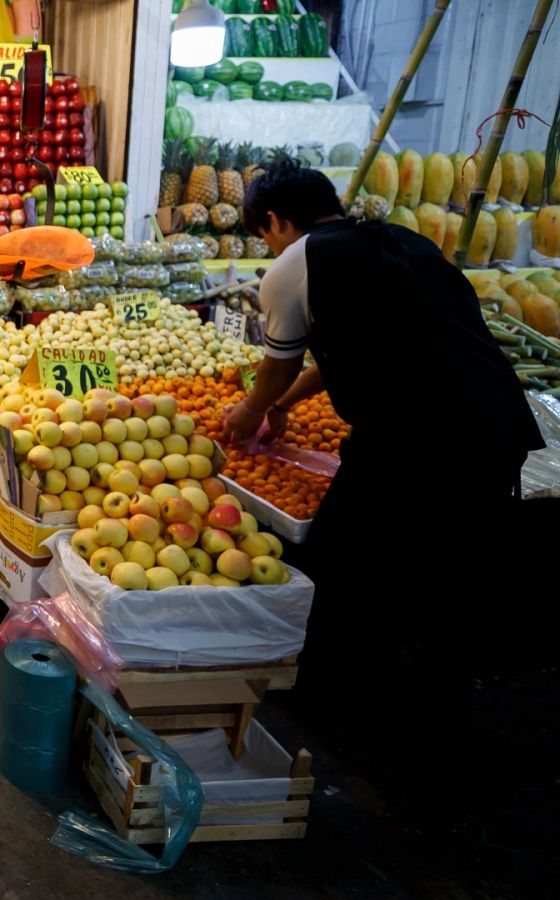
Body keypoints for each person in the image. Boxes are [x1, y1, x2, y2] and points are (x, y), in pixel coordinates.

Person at [221, 160, 543, 694]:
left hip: (417, 432)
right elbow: (343, 352)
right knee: (447, 557)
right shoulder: (400, 242)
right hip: (496, 422)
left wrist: (252, 411)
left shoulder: (294, 265)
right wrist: (285, 407)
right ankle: (421, 682)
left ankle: (333, 688)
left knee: (343, 553)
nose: (268, 246)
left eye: (263, 235)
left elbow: (278, 364)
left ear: (275, 220)